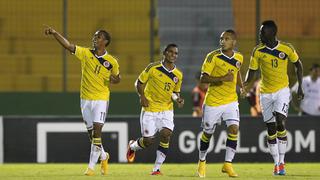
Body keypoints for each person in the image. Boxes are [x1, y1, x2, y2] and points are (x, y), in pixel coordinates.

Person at [44, 25, 121, 176]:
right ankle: (104, 156)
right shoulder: (85, 53)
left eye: (98, 37)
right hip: (85, 99)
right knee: (92, 135)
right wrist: (54, 33)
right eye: (94, 36)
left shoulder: (112, 61)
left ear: (105, 41)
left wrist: (115, 79)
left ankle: (91, 167)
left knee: (97, 131)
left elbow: (117, 78)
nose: (94, 38)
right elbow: (68, 46)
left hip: (101, 99)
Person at [244, 20, 304, 176]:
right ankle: (276, 163)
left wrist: (301, 87)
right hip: (265, 93)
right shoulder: (257, 51)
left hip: (282, 91)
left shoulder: (286, 48)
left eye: (262, 31)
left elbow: (298, 64)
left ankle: (282, 162)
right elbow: (252, 71)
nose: (260, 34)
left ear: (271, 32)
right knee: (270, 129)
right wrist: (245, 84)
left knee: (279, 121)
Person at [126, 44, 184, 175]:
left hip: (166, 109)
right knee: (148, 141)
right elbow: (139, 83)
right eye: (171, 52)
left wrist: (177, 99)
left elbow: (174, 92)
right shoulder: (153, 67)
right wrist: (142, 96)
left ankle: (156, 169)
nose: (173, 55)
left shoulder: (178, 74)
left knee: (166, 134)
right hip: (150, 109)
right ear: (164, 53)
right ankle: (133, 146)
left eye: (176, 53)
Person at [197, 29, 245, 178]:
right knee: (208, 133)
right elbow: (203, 78)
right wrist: (222, 78)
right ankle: (202, 161)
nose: (223, 41)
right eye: (221, 39)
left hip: (231, 101)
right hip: (213, 102)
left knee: (234, 129)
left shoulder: (239, 57)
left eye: (227, 38)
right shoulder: (212, 57)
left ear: (234, 42)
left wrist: (242, 87)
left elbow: (237, 72)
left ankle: (228, 164)